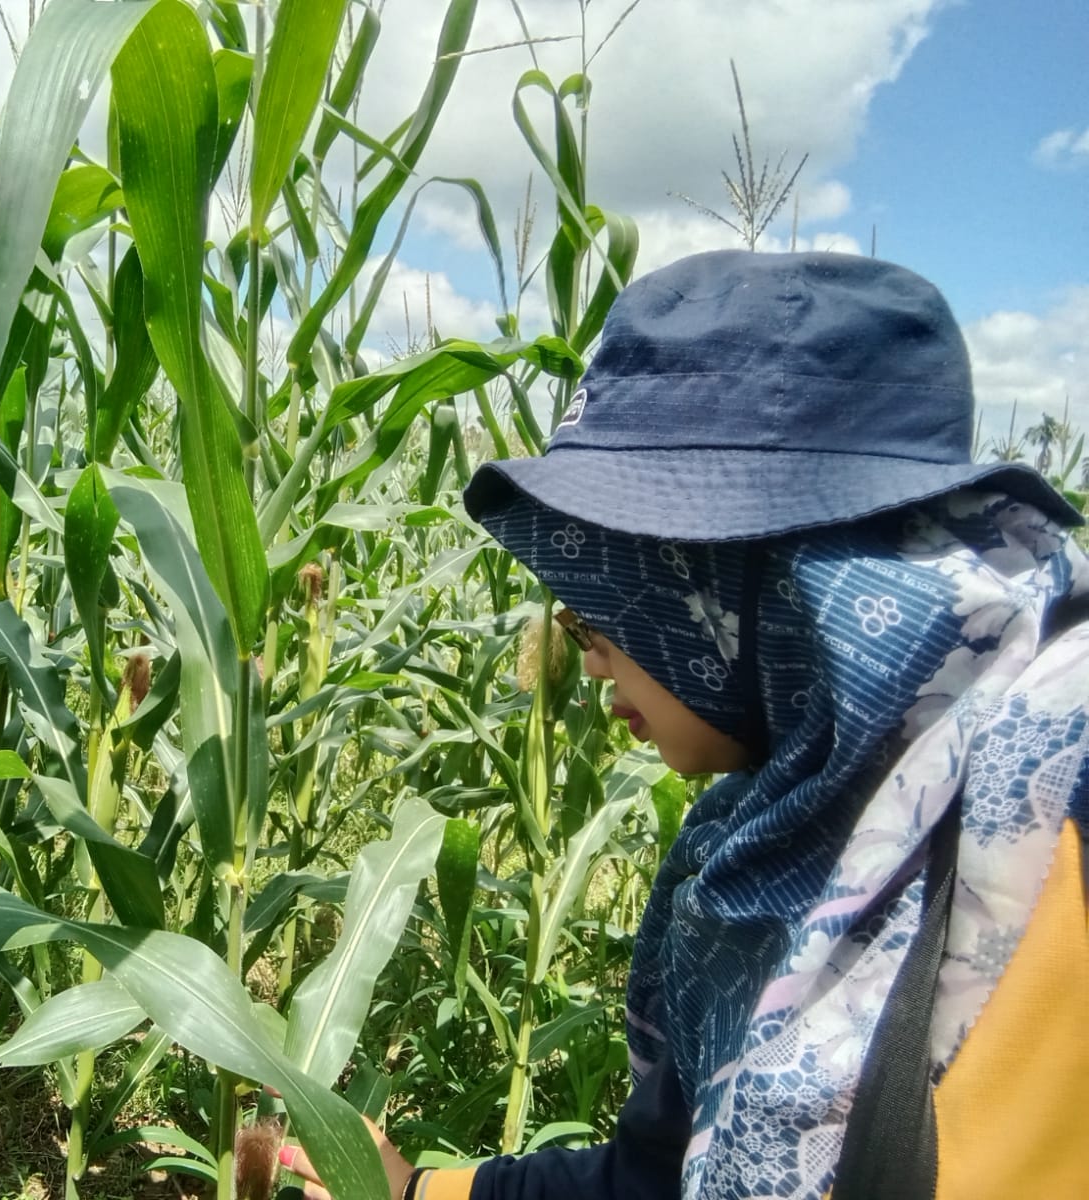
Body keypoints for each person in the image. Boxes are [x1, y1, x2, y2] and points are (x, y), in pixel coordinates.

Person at [278, 250, 1089, 1200]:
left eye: (612, 603)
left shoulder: (1056, 785)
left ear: (736, 586)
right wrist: (420, 1192)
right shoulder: (763, 841)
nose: (588, 657)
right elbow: (660, 1178)